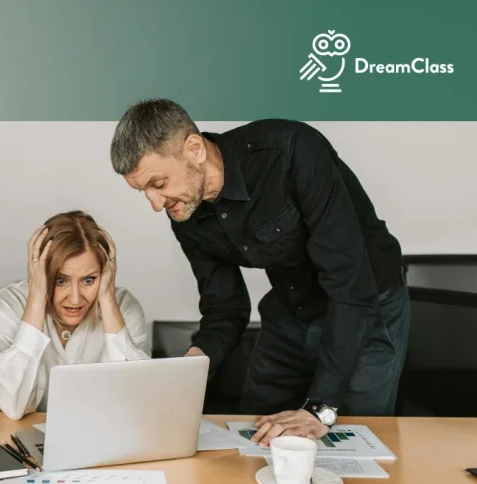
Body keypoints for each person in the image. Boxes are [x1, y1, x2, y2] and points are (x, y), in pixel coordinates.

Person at [109, 99, 410, 447]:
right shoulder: (184, 208)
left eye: (158, 183)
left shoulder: (292, 152)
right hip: (292, 306)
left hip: (367, 307)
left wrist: (320, 409)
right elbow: (225, 307)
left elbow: (350, 285)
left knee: (354, 441)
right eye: (143, 191)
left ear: (194, 149)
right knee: (256, 435)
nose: (155, 203)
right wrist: (194, 363)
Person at [0, 211, 151, 419]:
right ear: (41, 273)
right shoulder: (8, 304)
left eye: (89, 280)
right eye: (61, 280)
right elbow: (11, 406)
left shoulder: (124, 306)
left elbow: (134, 403)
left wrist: (106, 299)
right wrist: (37, 298)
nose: (76, 299)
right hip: (24, 440)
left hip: (101, 436)